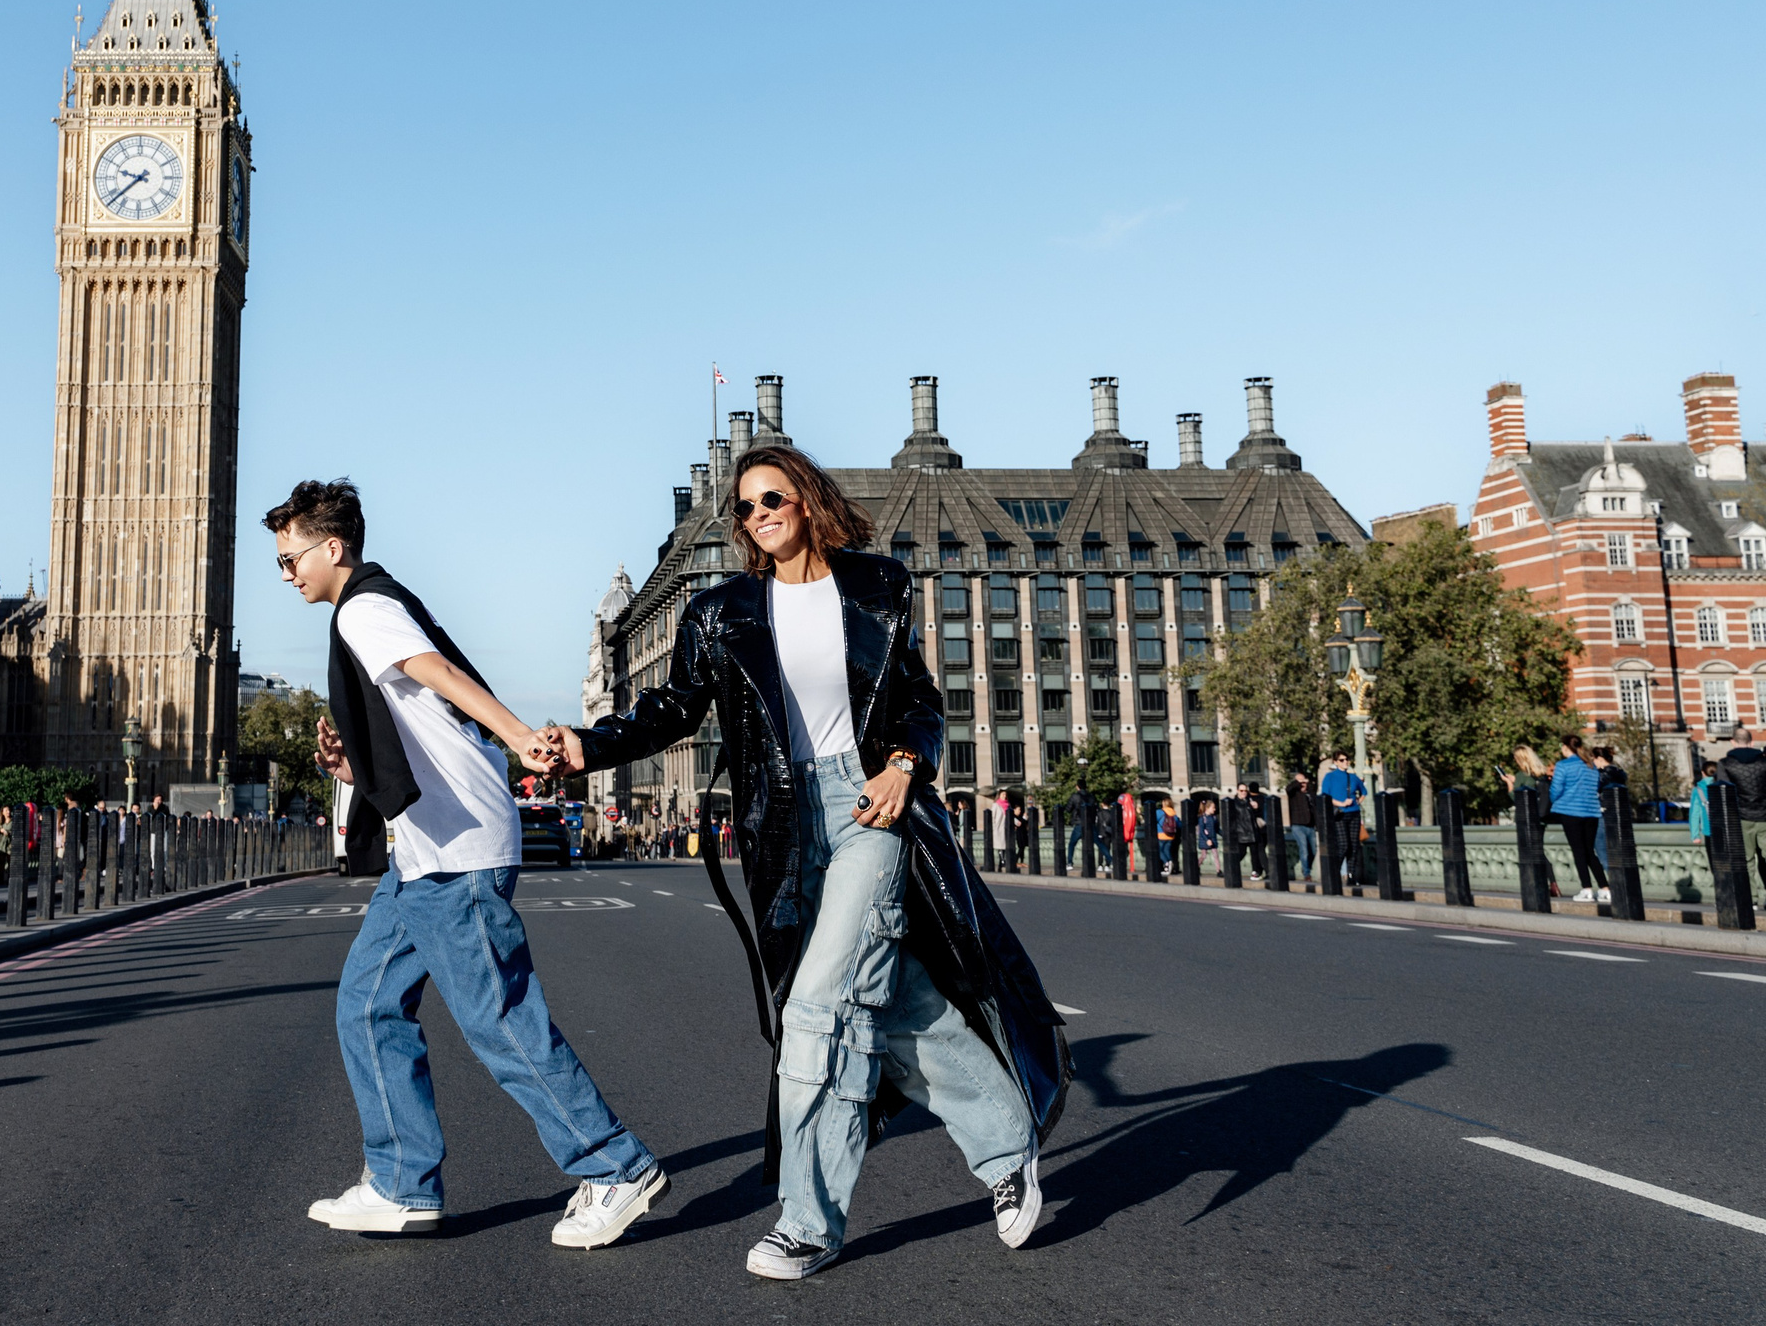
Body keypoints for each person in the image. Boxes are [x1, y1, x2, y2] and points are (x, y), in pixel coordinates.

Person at [546, 446, 1066, 1277]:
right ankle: (1009, 1151)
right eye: (745, 509)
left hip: (868, 804)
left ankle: (807, 1220)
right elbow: (672, 709)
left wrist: (903, 764)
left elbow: (923, 706)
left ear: (808, 497)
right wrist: (586, 745)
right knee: (897, 998)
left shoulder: (877, 586)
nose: (759, 516)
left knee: (820, 1004)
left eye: (772, 498)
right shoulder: (720, 612)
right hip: (783, 828)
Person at [266, 478, 668, 1250]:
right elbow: (427, 722)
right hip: (422, 851)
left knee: (499, 1018)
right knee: (368, 1003)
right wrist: (355, 766)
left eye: (290, 558)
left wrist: (521, 736)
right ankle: (400, 1184)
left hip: (454, 852)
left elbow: (440, 676)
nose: (287, 573)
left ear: (333, 547)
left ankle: (616, 1165)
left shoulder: (364, 607)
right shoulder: (373, 605)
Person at [1546, 734, 1608, 903]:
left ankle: (1586, 889)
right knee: (1590, 852)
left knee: (1578, 851)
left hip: (1570, 811)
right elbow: (1595, 787)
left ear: (1566, 747)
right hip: (1591, 812)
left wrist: (1553, 799)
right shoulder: (1590, 765)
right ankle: (1605, 888)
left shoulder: (1563, 765)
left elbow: (1556, 790)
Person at [1716, 727, 1766, 894]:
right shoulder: (1763, 762)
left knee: (1747, 860)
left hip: (1742, 818)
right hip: (1764, 816)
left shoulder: (1725, 764)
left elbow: (1724, 793)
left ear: (1732, 742)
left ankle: (1751, 897)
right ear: (1752, 743)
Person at [1319, 755, 1367, 888]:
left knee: (1354, 845)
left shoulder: (1353, 777)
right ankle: (1334, 871)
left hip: (1354, 814)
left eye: (1346, 760)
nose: (1345, 762)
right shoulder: (1330, 777)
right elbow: (1325, 797)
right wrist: (1341, 803)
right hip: (1339, 814)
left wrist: (1357, 801)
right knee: (1344, 844)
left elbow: (1364, 791)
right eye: (1341, 760)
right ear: (1335, 762)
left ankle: (1351, 875)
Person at [1155, 794, 1179, 874]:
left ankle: (1166, 863)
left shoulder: (1160, 812)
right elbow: (1179, 824)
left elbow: (1152, 819)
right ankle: (1170, 863)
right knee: (1167, 850)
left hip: (1161, 835)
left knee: (1159, 851)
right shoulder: (1173, 813)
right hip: (1171, 835)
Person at [1194, 798, 1219, 873]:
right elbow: (1201, 831)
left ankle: (1218, 870)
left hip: (1213, 839)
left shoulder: (1214, 818)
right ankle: (1196, 866)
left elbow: (1217, 829)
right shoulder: (1202, 818)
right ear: (1207, 808)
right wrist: (1207, 839)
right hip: (1205, 840)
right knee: (1203, 855)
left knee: (1216, 855)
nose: (1214, 809)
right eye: (1213, 807)